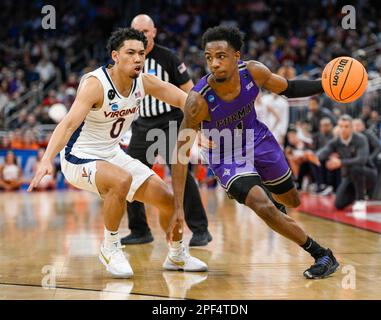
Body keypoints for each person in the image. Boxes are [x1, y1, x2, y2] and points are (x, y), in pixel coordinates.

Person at [28, 28, 207, 278]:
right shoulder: (95, 84)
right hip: (79, 156)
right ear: (115, 56)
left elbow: (184, 99)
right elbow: (67, 124)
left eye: (141, 54)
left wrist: (203, 125)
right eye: (130, 53)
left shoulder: (144, 82)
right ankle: (110, 247)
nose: (137, 59)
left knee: (167, 199)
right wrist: (47, 159)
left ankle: (176, 254)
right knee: (121, 180)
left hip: (111, 154)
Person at [169, 26, 339, 279]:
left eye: (221, 56)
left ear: (236, 56)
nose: (214, 63)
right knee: (263, 205)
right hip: (226, 156)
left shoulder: (253, 72)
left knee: (292, 201)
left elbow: (289, 88)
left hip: (259, 139)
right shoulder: (198, 101)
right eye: (208, 57)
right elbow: (180, 155)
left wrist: (325, 85)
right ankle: (322, 254)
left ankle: (268, 200)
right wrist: (178, 207)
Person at [121, 14, 212, 247]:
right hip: (142, 125)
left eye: (145, 30)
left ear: (154, 32)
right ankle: (140, 230)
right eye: (136, 30)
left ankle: (200, 229)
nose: (141, 34)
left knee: (182, 174)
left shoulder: (168, 57)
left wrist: (198, 125)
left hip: (171, 122)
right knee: (129, 175)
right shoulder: (126, 58)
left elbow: (189, 92)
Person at [316, 115, 378, 210]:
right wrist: (313, 156)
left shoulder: (361, 139)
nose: (343, 129)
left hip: (368, 174)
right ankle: (356, 193)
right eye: (341, 126)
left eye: (346, 126)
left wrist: (340, 162)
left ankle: (360, 199)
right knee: (339, 204)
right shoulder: (336, 141)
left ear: (352, 128)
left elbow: (362, 160)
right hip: (349, 177)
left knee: (356, 168)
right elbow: (324, 152)